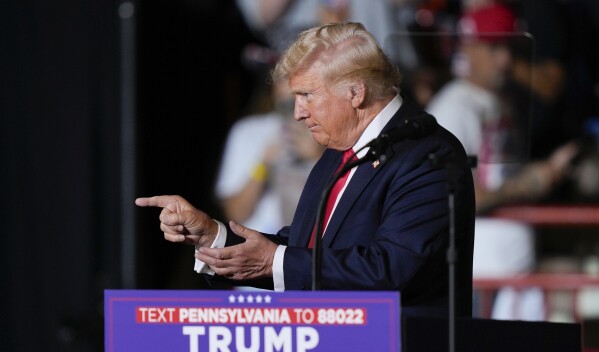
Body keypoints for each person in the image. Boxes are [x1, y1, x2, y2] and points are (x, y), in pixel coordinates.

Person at [136, 22, 476, 317]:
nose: (298, 113)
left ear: (355, 92)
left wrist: (275, 261)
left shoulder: (428, 154)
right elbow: (304, 246)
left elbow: (392, 269)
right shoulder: (338, 150)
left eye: (307, 95)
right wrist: (214, 237)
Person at [426, 3, 578, 320]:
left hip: (513, 277)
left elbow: (497, 177)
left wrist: (544, 174)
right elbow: (450, 196)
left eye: (510, 47)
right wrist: (527, 184)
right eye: (494, 47)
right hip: (478, 279)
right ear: (468, 48)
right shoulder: (454, 109)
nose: (506, 60)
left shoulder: (501, 102)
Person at [215, 79, 324, 234]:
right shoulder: (248, 131)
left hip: (308, 246)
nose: (291, 88)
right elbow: (236, 214)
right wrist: (263, 165)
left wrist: (318, 158)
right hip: (259, 244)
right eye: (283, 78)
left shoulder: (325, 130)